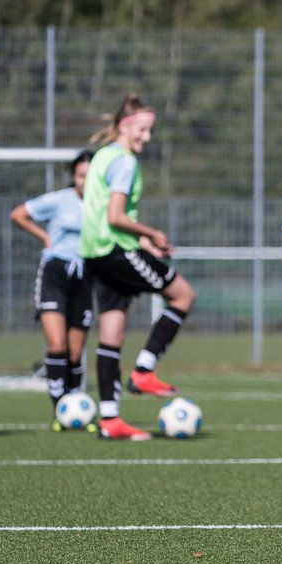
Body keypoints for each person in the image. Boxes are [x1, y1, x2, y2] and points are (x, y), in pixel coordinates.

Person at [79, 94, 197, 441]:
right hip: (116, 251)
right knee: (183, 295)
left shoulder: (102, 156)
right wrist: (151, 233)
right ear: (127, 126)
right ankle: (144, 370)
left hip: (96, 253)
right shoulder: (125, 162)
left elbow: (109, 218)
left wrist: (146, 243)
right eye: (143, 130)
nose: (147, 137)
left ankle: (110, 419)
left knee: (110, 336)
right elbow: (117, 216)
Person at [10, 151, 95, 425]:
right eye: (82, 175)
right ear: (74, 176)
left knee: (74, 351)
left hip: (84, 275)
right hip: (55, 274)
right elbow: (19, 214)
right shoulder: (59, 200)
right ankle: (60, 410)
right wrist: (45, 237)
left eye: (91, 176)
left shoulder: (102, 205)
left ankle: (76, 404)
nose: (86, 181)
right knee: (56, 345)